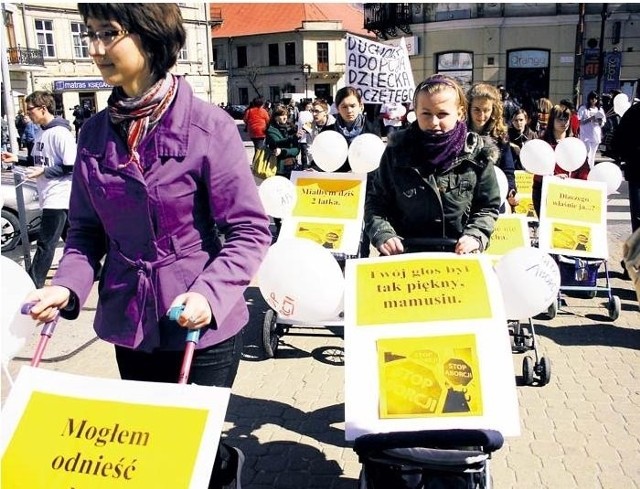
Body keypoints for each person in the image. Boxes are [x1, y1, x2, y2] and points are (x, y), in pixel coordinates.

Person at [19, 5, 271, 489]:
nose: (94, 49)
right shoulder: (92, 134)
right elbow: (85, 233)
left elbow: (249, 230)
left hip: (201, 326)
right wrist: (66, 288)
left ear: (151, 38)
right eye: (89, 35)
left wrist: (209, 294)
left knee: (195, 452)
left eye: (108, 34)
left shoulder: (208, 126)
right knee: (150, 455)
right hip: (129, 321)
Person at [365, 74, 501, 256]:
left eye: (443, 114)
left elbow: (487, 207)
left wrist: (475, 236)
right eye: (426, 114)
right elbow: (375, 202)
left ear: (460, 113)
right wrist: (383, 233)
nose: (434, 122)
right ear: (416, 111)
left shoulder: (477, 154)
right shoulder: (397, 152)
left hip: (459, 258)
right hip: (405, 257)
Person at [2, 91, 76, 288]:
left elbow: (72, 166)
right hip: (50, 194)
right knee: (71, 240)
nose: (28, 114)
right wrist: (18, 158)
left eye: (30, 110)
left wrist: (44, 172)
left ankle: (33, 283)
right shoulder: (42, 132)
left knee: (45, 243)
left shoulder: (61, 134)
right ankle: (96, 269)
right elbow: (39, 161)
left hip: (59, 195)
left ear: (43, 109)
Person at [324, 86, 381, 257]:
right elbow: (324, 159)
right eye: (344, 106)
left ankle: (360, 260)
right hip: (339, 192)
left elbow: (376, 159)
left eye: (353, 105)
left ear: (361, 106)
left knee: (361, 232)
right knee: (340, 231)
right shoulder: (328, 133)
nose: (349, 110)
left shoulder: (373, 129)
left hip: (366, 189)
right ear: (337, 108)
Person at [531, 104, 590, 218]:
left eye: (566, 119)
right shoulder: (543, 143)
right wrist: (552, 178)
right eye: (560, 119)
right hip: (545, 191)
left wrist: (580, 183)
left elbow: (584, 168)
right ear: (552, 120)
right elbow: (537, 170)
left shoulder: (575, 143)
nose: (564, 122)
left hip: (570, 195)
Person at [467, 82, 518, 211]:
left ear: (494, 110)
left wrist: (511, 190)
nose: (481, 116)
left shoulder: (500, 136)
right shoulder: (458, 133)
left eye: (486, 110)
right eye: (476, 109)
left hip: (492, 198)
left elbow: (508, 170)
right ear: (468, 108)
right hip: (464, 199)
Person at [611, 97, 640, 277]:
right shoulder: (634, 113)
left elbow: (617, 143)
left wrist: (628, 156)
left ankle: (631, 265)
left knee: (638, 224)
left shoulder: (634, 113)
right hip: (636, 171)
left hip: (636, 171)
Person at [266, 104, 300, 237]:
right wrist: (291, 140)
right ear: (274, 117)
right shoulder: (271, 130)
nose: (283, 117)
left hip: (291, 167)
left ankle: (289, 226)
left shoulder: (292, 128)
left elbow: (296, 150)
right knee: (278, 198)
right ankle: (279, 226)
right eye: (280, 115)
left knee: (291, 197)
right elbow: (277, 142)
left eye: (285, 114)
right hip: (277, 169)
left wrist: (284, 151)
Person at [300, 98, 335, 169]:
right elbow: (309, 147)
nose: (314, 114)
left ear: (325, 112)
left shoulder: (335, 124)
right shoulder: (309, 125)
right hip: (317, 162)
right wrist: (314, 163)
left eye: (317, 111)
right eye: (312, 111)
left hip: (333, 160)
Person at [578, 91, 606, 169]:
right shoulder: (583, 108)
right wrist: (591, 118)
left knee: (593, 155)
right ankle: (585, 169)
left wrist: (599, 120)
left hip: (596, 134)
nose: (593, 100)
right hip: (586, 134)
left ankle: (591, 169)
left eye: (595, 98)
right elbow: (580, 122)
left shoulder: (600, 109)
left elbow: (602, 123)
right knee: (588, 153)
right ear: (589, 99)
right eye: (592, 98)